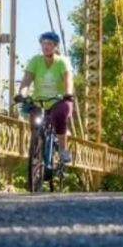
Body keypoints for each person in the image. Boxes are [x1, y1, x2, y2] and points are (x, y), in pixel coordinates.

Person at [14, 31, 75, 164]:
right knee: (34, 121)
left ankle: (63, 150)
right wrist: (22, 94)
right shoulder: (35, 61)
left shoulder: (62, 62)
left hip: (59, 100)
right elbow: (26, 80)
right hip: (39, 101)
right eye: (43, 43)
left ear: (55, 47)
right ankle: (37, 147)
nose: (46, 46)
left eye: (49, 43)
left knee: (59, 116)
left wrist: (68, 93)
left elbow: (68, 79)